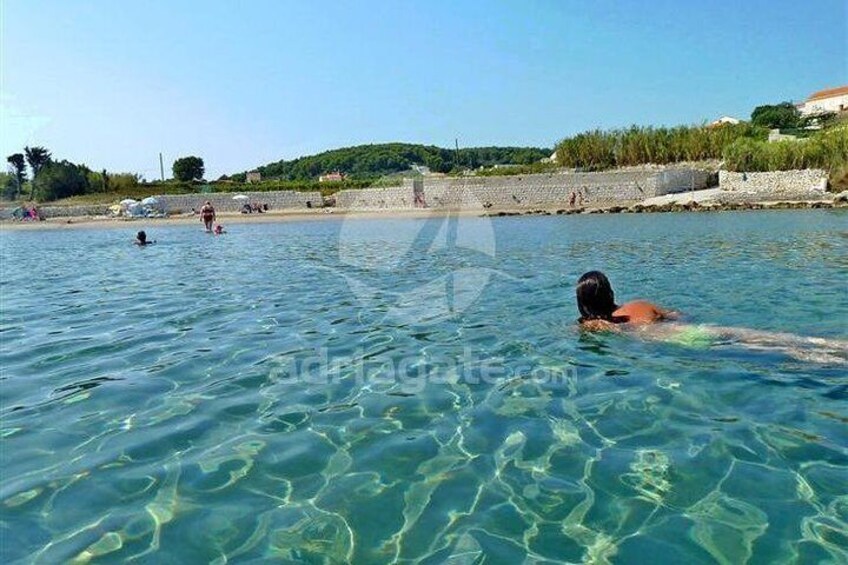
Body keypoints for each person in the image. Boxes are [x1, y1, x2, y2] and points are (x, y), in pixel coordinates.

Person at [576, 271, 847, 364]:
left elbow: (598, 333)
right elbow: (678, 315)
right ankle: (833, 346)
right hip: (698, 328)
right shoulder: (639, 305)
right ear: (611, 291)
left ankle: (827, 360)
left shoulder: (597, 326)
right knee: (771, 338)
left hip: (679, 341)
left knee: (769, 350)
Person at [576, 271, 675, 330]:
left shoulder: (596, 324)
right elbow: (675, 315)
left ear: (582, 302)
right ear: (610, 292)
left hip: (659, 339)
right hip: (682, 329)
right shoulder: (640, 304)